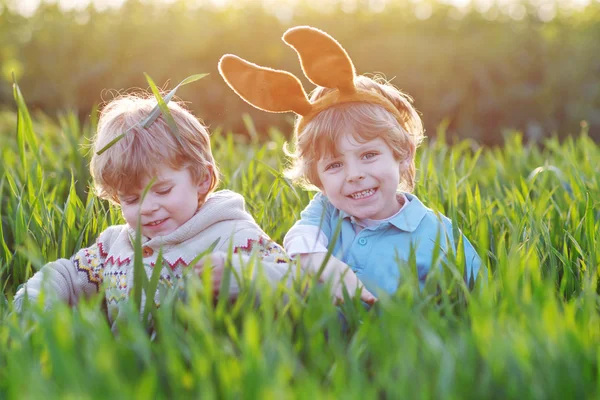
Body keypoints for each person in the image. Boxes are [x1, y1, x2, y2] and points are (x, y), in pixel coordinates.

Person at [218, 26, 484, 302]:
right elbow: (299, 238)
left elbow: (479, 298)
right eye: (334, 165)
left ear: (402, 153)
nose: (354, 175)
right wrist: (328, 269)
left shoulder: (436, 233)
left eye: (368, 155)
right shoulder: (327, 211)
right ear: (317, 177)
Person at [13, 93, 293, 328]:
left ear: (202, 179)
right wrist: (35, 302)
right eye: (132, 199)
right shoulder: (115, 246)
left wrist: (244, 275)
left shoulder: (232, 234)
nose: (148, 208)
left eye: (162, 191)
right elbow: (66, 276)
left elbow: (297, 283)